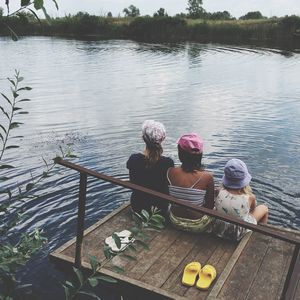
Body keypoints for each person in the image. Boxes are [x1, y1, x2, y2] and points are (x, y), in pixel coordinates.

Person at [167, 133, 215, 233]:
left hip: (174, 221)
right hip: (197, 225)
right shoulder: (207, 177)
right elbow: (209, 206)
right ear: (200, 156)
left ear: (180, 154)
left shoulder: (170, 171)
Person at [126, 120, 174, 217]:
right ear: (162, 139)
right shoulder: (168, 163)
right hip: (160, 209)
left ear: (143, 138)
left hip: (137, 207)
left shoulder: (133, 159)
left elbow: (132, 179)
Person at [214, 158, 269, 241]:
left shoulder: (218, 191)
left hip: (219, 229)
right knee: (264, 208)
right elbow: (252, 211)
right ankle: (261, 236)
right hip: (237, 234)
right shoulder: (250, 197)